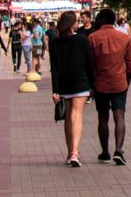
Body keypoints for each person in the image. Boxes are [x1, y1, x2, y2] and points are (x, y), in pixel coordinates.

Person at [87, 8, 131, 165]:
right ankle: (119, 150)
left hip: (100, 83)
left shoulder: (92, 38)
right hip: (119, 82)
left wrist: (92, 84)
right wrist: (126, 80)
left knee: (103, 118)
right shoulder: (124, 37)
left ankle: (105, 152)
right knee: (119, 116)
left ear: (101, 20)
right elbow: (130, 64)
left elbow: (90, 64)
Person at [50, 10, 95, 167]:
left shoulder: (55, 42)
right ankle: (75, 152)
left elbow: (54, 68)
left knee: (69, 117)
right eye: (76, 21)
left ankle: (71, 153)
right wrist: (92, 85)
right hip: (80, 83)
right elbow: (89, 65)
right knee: (76, 116)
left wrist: (55, 90)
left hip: (63, 84)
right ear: (72, 24)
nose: (78, 23)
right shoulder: (82, 40)